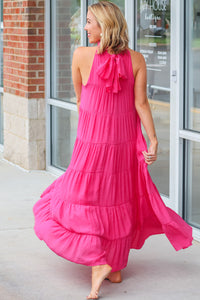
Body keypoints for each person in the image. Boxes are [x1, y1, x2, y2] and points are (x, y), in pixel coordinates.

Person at [33, 1, 193, 299]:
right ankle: (114, 264)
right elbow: (141, 104)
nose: (85, 27)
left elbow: (82, 100)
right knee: (115, 198)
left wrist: (94, 130)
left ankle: (99, 261)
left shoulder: (81, 55)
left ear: (105, 25)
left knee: (85, 196)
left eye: (90, 21)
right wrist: (152, 139)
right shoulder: (136, 59)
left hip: (92, 141)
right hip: (121, 142)